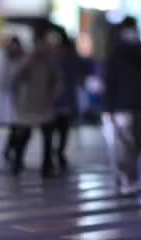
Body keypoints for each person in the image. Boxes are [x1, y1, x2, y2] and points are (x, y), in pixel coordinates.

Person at [104, 17, 141, 195]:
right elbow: (109, 81)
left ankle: (124, 169)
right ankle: (131, 180)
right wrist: (109, 107)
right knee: (129, 144)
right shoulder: (115, 53)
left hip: (140, 104)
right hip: (122, 105)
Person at [11, 31, 62, 178]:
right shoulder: (27, 60)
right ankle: (17, 161)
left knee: (47, 137)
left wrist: (54, 94)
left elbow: (58, 80)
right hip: (29, 104)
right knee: (24, 135)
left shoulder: (50, 62)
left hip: (45, 105)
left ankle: (47, 166)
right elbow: (17, 78)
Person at [54, 36, 84, 171]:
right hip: (60, 100)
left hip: (62, 100)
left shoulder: (68, 60)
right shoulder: (68, 60)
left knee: (61, 130)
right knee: (60, 130)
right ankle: (58, 153)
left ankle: (58, 153)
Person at [0, 36, 25, 165]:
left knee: (18, 125)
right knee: (15, 125)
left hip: (23, 95)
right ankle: (11, 150)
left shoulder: (23, 59)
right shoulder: (8, 59)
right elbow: (5, 76)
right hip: (12, 95)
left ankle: (11, 150)